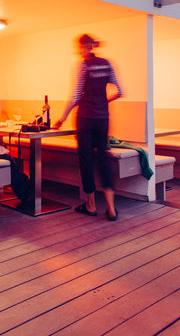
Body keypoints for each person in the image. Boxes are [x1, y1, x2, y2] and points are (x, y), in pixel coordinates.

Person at [53, 34, 123, 221]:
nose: (79, 51)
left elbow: (76, 96)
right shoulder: (107, 64)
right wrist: (103, 101)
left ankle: (91, 205)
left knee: (86, 160)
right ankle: (111, 208)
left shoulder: (83, 65)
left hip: (85, 118)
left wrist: (62, 118)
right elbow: (120, 91)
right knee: (104, 158)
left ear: (85, 47)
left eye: (80, 47)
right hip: (102, 118)